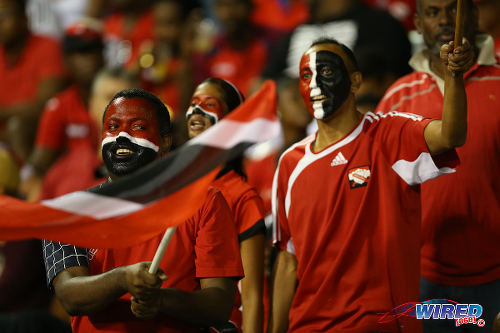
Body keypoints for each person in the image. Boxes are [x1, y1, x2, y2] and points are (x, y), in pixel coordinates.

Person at [269, 36, 473, 332]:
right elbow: (288, 261)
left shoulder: (389, 134)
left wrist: (454, 75)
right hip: (308, 325)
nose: (313, 85)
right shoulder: (289, 162)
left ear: (355, 82)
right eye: (306, 76)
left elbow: (452, 135)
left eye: (325, 72)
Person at [43, 88, 244, 332]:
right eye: (113, 127)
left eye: (137, 127)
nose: (121, 137)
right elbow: (69, 296)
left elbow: (219, 305)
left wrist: (160, 299)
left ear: (166, 141)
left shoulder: (204, 202)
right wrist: (122, 279)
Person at [376, 0, 500, 331]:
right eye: (433, 12)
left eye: (454, 10)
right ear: (417, 23)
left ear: (473, 15)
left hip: (496, 278)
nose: (446, 20)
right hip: (423, 281)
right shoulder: (396, 98)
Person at [186, 77, 266, 333]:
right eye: (193, 103)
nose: (197, 110)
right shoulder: (174, 187)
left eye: (209, 104)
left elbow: (252, 294)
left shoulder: (242, 196)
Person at [20, 20, 104, 202]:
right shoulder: (59, 105)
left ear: (103, 55)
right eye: (79, 53)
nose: (88, 60)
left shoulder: (120, 97)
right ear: (66, 60)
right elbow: (39, 163)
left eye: (92, 50)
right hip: (70, 193)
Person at [0, 0, 66, 161]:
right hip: (4, 136)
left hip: (37, 135)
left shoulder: (47, 46)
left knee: (18, 126)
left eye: (5, 15)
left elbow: (46, 105)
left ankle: (29, 181)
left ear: (25, 18)